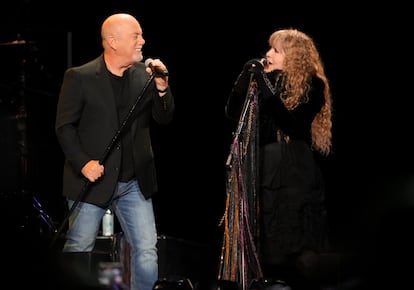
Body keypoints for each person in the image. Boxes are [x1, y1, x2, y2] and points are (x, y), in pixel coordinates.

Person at [55, 13, 175, 290]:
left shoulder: (143, 76)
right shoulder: (80, 77)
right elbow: (64, 127)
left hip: (134, 181)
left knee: (146, 250)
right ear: (113, 41)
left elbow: (164, 117)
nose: (142, 41)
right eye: (136, 36)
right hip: (91, 180)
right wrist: (83, 163)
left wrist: (162, 88)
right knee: (78, 247)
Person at [224, 28, 333, 290]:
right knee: (263, 240)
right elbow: (231, 113)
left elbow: (293, 125)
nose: (268, 54)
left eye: (276, 50)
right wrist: (243, 80)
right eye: (269, 49)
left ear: (293, 56)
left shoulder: (312, 84)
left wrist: (265, 84)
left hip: (293, 168)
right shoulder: (261, 84)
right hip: (261, 166)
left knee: (293, 242)